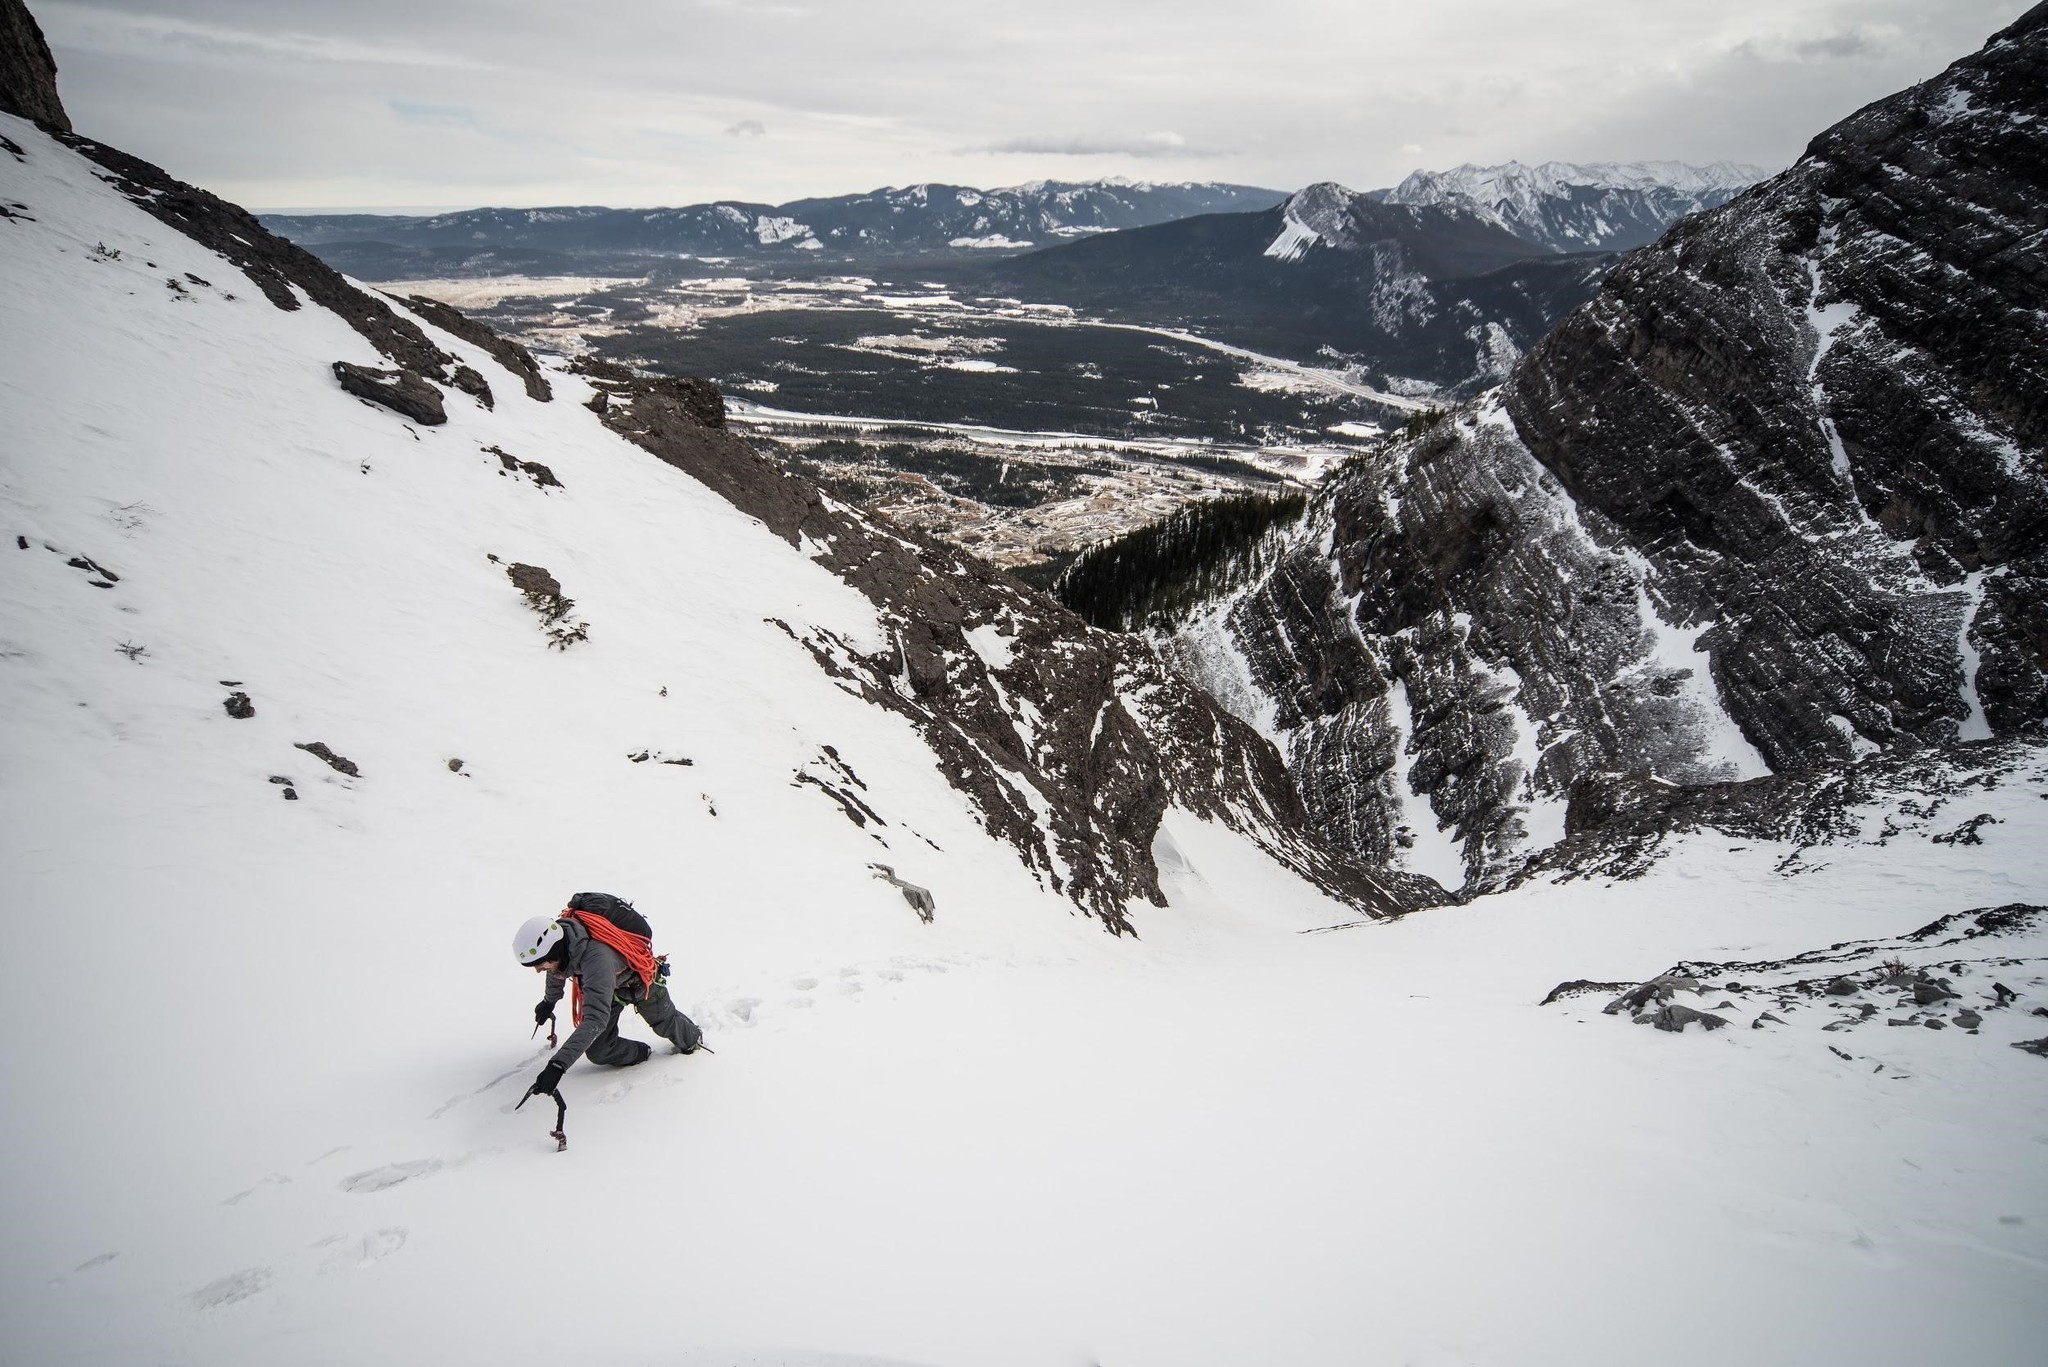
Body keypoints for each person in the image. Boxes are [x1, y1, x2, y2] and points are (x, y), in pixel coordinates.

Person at [512, 893, 703, 1100]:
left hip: (640, 982)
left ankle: (694, 1039)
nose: (539, 970)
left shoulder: (596, 959)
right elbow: (556, 973)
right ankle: (641, 1053)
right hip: (609, 990)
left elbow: (595, 1019)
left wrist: (558, 1065)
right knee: (599, 1050)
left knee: (664, 1023)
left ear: (554, 952)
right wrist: (549, 1002)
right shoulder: (565, 939)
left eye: (540, 964)